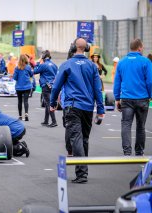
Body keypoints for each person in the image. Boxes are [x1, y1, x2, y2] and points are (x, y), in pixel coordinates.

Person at [50, 38, 105, 184]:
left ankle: (81, 173)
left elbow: (56, 87)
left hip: (73, 106)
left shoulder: (67, 64)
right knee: (84, 139)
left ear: (73, 47)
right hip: (87, 107)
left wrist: (52, 103)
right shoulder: (92, 66)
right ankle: (83, 171)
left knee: (77, 139)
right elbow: (98, 89)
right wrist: (100, 109)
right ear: (86, 48)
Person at [113, 38, 152, 156]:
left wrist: (116, 98)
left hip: (126, 98)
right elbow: (150, 81)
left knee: (126, 124)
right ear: (139, 47)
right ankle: (139, 152)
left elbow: (117, 82)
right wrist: (150, 95)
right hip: (142, 98)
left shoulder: (122, 62)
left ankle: (127, 152)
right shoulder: (146, 62)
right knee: (140, 126)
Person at [34, 50, 58, 127]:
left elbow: (35, 71)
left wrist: (38, 62)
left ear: (43, 56)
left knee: (48, 103)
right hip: (52, 85)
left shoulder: (43, 65)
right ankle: (46, 121)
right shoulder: (54, 65)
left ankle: (54, 121)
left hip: (45, 85)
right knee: (48, 102)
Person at [13, 54, 33, 121]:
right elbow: (31, 74)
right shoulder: (28, 67)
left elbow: (15, 78)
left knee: (19, 101)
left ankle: (20, 116)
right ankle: (26, 114)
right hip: (27, 86)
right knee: (26, 100)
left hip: (19, 87)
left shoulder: (17, 68)